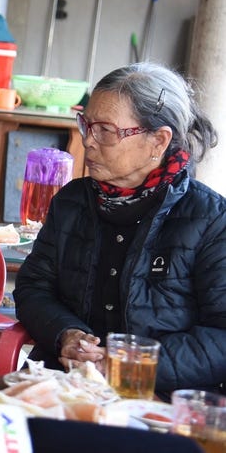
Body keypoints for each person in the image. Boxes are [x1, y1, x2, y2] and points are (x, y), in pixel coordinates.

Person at [14, 62, 226, 394]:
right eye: (86, 125)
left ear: (158, 140)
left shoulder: (210, 220)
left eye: (106, 131)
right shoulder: (72, 203)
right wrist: (66, 334)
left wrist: (128, 364)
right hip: (65, 382)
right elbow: (33, 287)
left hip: (160, 395)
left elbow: (221, 336)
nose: (88, 142)